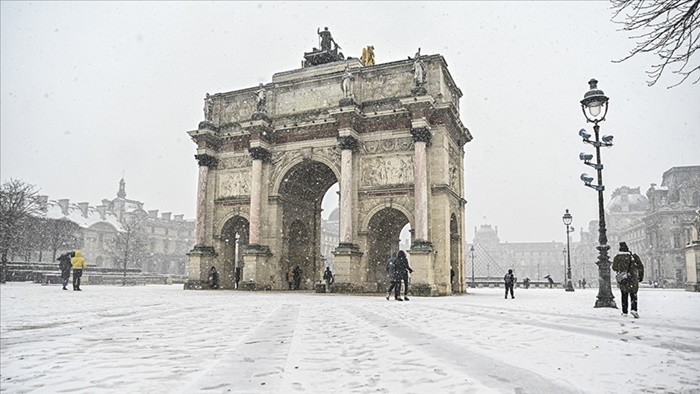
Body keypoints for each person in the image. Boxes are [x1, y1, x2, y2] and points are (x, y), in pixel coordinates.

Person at [612, 242, 644, 318]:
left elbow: (614, 267)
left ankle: (624, 311)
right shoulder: (633, 256)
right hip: (633, 278)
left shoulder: (617, 257)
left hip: (623, 278)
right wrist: (640, 276)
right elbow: (640, 266)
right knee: (633, 295)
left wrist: (621, 269)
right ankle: (634, 309)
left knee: (624, 295)